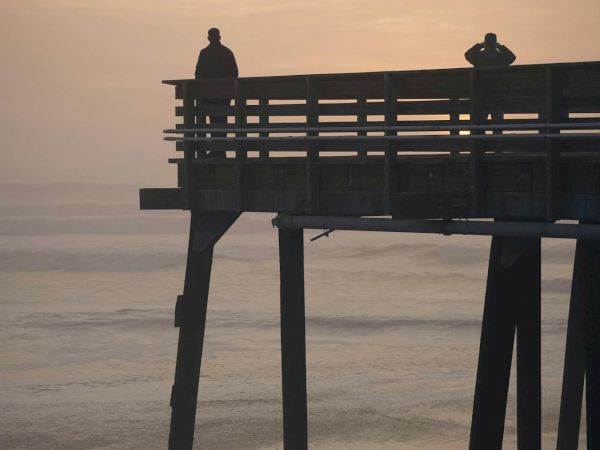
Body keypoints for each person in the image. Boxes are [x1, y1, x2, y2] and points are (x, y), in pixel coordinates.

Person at [195, 28, 238, 155]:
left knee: (213, 120)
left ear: (209, 38)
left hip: (207, 94)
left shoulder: (204, 53)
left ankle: (216, 149)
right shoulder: (227, 52)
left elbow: (198, 74)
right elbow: (235, 73)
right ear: (220, 37)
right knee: (222, 120)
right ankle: (220, 149)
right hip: (224, 94)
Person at [465, 33, 516, 135]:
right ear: (495, 43)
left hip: (481, 98)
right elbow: (512, 57)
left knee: (479, 126)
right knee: (497, 126)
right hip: (497, 98)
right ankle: (498, 147)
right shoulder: (501, 57)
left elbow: (467, 54)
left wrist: (479, 45)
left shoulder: (478, 57)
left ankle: (479, 146)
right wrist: (501, 47)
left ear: (485, 43)